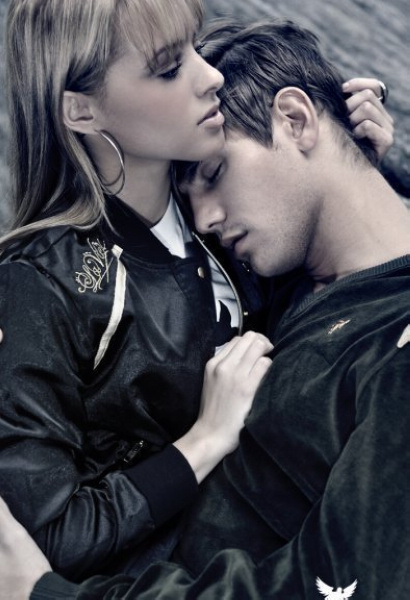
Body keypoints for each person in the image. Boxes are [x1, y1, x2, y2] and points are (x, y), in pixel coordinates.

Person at [0, 16, 408, 600]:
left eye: (215, 174)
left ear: (295, 120)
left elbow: (335, 586)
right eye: (186, 200)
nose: (206, 220)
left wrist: (45, 595)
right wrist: (359, 167)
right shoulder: (265, 271)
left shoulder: (391, 346)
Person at [0, 0, 275, 581]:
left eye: (197, 46)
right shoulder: (42, 283)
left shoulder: (207, 200)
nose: (211, 76)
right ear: (81, 110)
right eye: (170, 68)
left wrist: (344, 162)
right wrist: (204, 441)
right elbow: (48, 539)